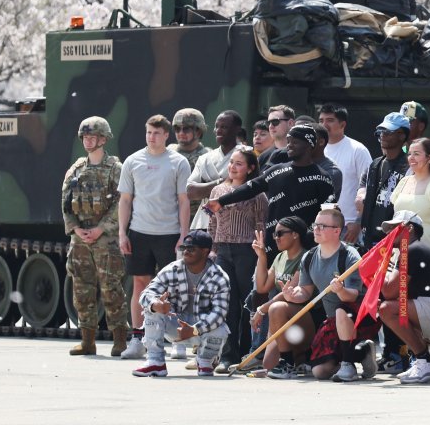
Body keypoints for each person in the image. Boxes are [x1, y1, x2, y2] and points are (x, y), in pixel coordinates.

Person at [117, 114, 191, 360]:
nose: (152, 137)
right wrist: (122, 233)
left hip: (169, 233)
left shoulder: (178, 162)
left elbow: (183, 201)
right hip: (139, 232)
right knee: (140, 285)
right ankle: (138, 339)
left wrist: (184, 235)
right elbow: (125, 200)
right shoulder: (132, 161)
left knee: (173, 288)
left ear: (166, 135)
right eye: (149, 132)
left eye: (157, 133)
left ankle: (177, 340)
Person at [206, 124, 334, 256]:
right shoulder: (276, 171)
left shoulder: (322, 177)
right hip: (273, 244)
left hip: (305, 246)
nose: (289, 145)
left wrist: (314, 236)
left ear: (309, 145)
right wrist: (221, 201)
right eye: (288, 141)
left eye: (295, 142)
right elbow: (250, 188)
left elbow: (330, 212)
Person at [283, 207, 378, 381]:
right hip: (333, 320)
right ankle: (361, 354)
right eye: (315, 225)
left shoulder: (350, 256)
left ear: (336, 231)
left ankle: (348, 365)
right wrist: (292, 295)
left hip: (358, 317)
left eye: (322, 226)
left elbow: (352, 296)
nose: (316, 229)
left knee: (342, 310)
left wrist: (341, 290)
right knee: (319, 372)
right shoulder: (309, 257)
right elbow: (305, 291)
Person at [62, 116, 128, 357]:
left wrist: (101, 228)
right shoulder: (76, 169)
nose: (88, 141)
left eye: (93, 137)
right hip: (80, 239)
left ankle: (119, 338)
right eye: (85, 137)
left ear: (103, 139)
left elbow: (122, 202)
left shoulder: (115, 169)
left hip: (105, 239)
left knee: (111, 289)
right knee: (82, 290)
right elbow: (66, 202)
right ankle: (87, 340)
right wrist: (76, 229)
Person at [131, 230, 231, 377]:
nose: (186, 252)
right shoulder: (172, 269)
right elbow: (146, 293)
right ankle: (155, 362)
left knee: (220, 329)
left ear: (205, 252)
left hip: (200, 329)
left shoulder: (219, 276)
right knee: (151, 310)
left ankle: (205, 361)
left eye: (191, 249)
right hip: (174, 325)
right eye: (184, 248)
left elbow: (219, 313)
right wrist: (156, 304)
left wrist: (194, 330)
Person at [206, 145, 267, 374]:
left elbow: (261, 223)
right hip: (223, 250)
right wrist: (212, 248)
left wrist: (260, 252)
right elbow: (212, 222)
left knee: (246, 302)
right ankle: (227, 355)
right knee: (227, 301)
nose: (233, 167)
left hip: (247, 250)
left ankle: (247, 352)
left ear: (251, 168)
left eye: (239, 163)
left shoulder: (257, 194)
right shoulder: (217, 191)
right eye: (231, 162)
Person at [374, 210, 430, 383]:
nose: (388, 233)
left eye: (394, 228)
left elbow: (389, 291)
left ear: (409, 229)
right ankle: (424, 361)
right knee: (392, 306)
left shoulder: (412, 250)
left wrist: (377, 267)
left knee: (388, 310)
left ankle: (425, 361)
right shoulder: (410, 250)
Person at [250, 216, 312, 379]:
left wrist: (262, 309)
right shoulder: (279, 257)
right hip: (284, 320)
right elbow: (262, 287)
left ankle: (289, 362)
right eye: (274, 234)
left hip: (304, 319)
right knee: (268, 365)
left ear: (295, 235)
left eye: (280, 233)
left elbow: (288, 292)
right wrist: (262, 255)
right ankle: (298, 360)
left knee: (275, 307)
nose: (276, 238)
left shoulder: (306, 257)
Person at [357, 111, 412, 249]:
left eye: (388, 132)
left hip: (394, 242)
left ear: (402, 135)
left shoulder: (409, 166)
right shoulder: (374, 164)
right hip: (369, 241)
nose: (383, 135)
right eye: (381, 131)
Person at [319, 104, 373, 244]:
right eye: (321, 120)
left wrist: (358, 223)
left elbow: (369, 189)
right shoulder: (314, 150)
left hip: (348, 227)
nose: (324, 124)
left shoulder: (358, 150)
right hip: (320, 226)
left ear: (342, 124)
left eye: (330, 120)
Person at [187, 110, 243, 231]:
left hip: (234, 225)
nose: (218, 130)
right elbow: (190, 192)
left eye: (224, 127)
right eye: (216, 126)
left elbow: (243, 188)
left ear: (237, 129)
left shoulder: (247, 154)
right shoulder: (205, 158)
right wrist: (221, 183)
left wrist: (204, 187)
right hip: (203, 224)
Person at [308, 122, 343, 205]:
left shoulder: (332, 172)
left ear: (321, 142)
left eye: (308, 139)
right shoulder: (293, 163)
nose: (302, 142)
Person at [258, 105, 294, 171]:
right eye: (268, 123)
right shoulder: (262, 158)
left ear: (290, 123)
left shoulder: (301, 156)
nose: (271, 126)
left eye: (275, 122)